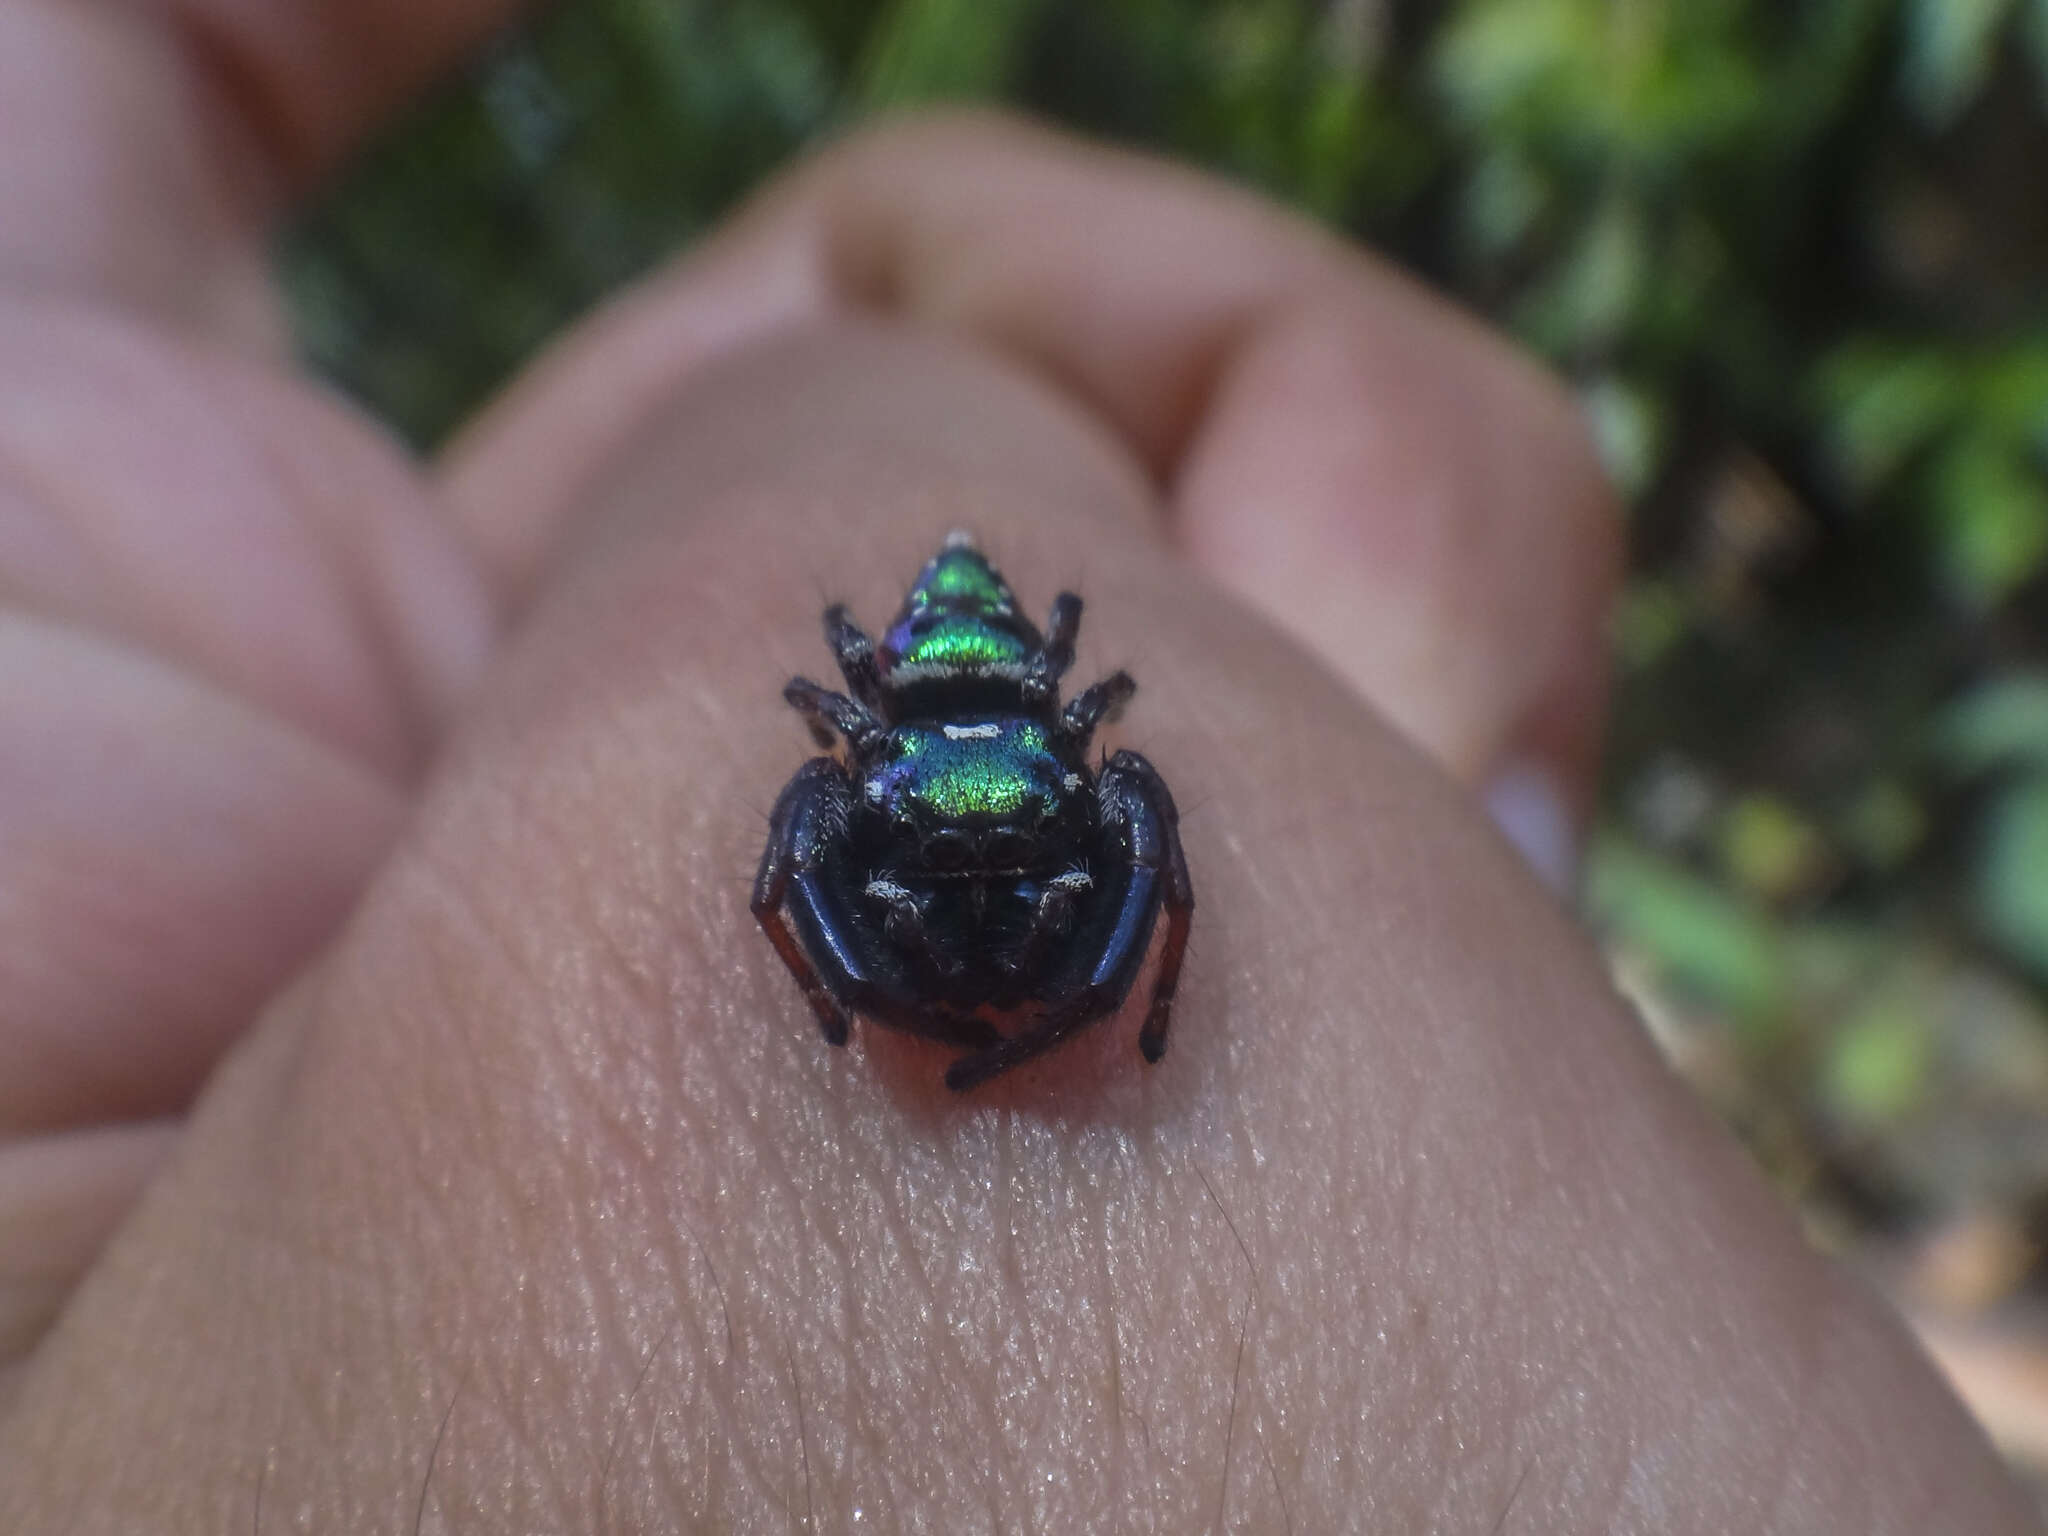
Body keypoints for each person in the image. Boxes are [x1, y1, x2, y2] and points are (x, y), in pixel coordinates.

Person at [0, 3, 2033, 1529]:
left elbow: (1115, 808)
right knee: (813, 830)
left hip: (1001, 769)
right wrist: (857, 983)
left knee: (1100, 815)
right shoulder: (851, 752)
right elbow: (795, 825)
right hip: (937, 766)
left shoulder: (1072, 750)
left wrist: (1100, 1006)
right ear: (883, 715)